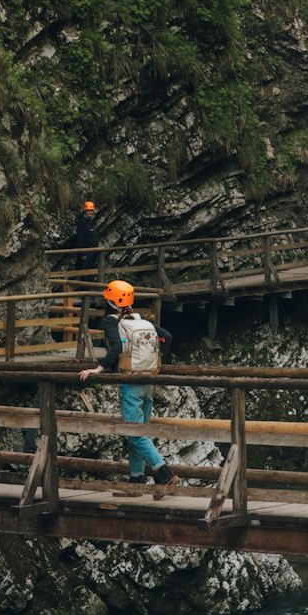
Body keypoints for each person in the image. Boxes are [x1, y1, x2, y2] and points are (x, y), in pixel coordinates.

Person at [79, 279, 179, 498]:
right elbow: (167, 337)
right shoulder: (140, 318)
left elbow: (115, 349)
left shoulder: (111, 322)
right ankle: (135, 482)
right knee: (138, 432)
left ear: (110, 301)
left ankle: (164, 473)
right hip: (148, 380)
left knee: (133, 432)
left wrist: (98, 370)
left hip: (130, 382)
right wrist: (159, 365)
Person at [70, 200, 100, 272]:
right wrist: (83, 254)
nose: (90, 212)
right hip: (86, 254)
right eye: (88, 210)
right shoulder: (82, 223)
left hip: (92, 253)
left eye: (91, 210)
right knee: (84, 274)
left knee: (90, 273)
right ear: (85, 211)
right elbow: (80, 239)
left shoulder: (90, 223)